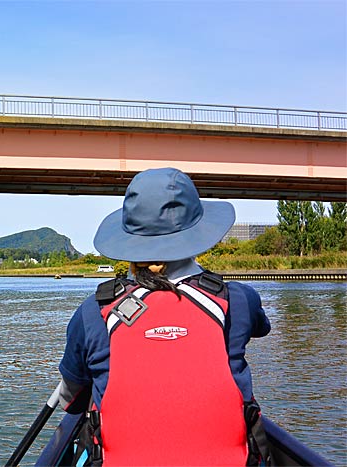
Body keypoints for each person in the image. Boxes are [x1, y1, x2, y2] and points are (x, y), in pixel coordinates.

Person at [58, 167, 271, 466]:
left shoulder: (94, 311)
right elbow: (261, 327)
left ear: (130, 239)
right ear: (197, 233)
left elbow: (72, 397)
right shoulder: (239, 300)